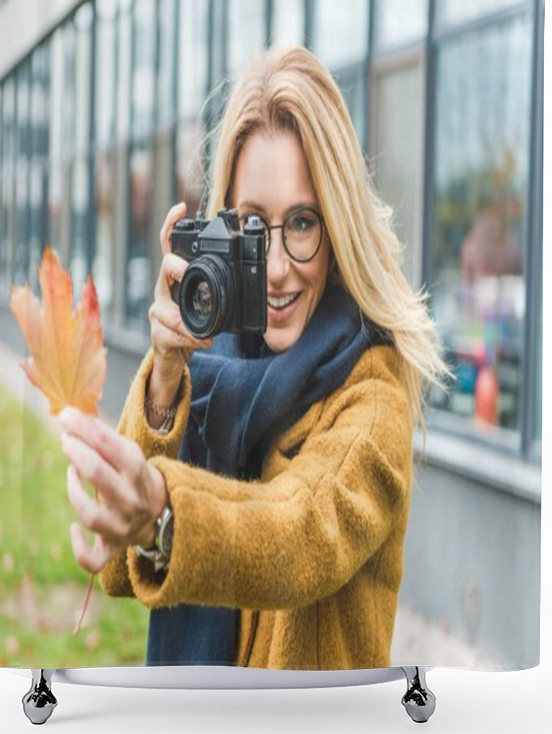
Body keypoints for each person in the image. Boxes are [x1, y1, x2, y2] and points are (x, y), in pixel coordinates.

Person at [58, 45, 448, 670]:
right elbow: (120, 575)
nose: (274, 268)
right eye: (251, 225)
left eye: (301, 223)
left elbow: (295, 534)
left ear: (338, 225)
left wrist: (164, 510)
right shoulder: (206, 367)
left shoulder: (372, 397)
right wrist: (164, 375)